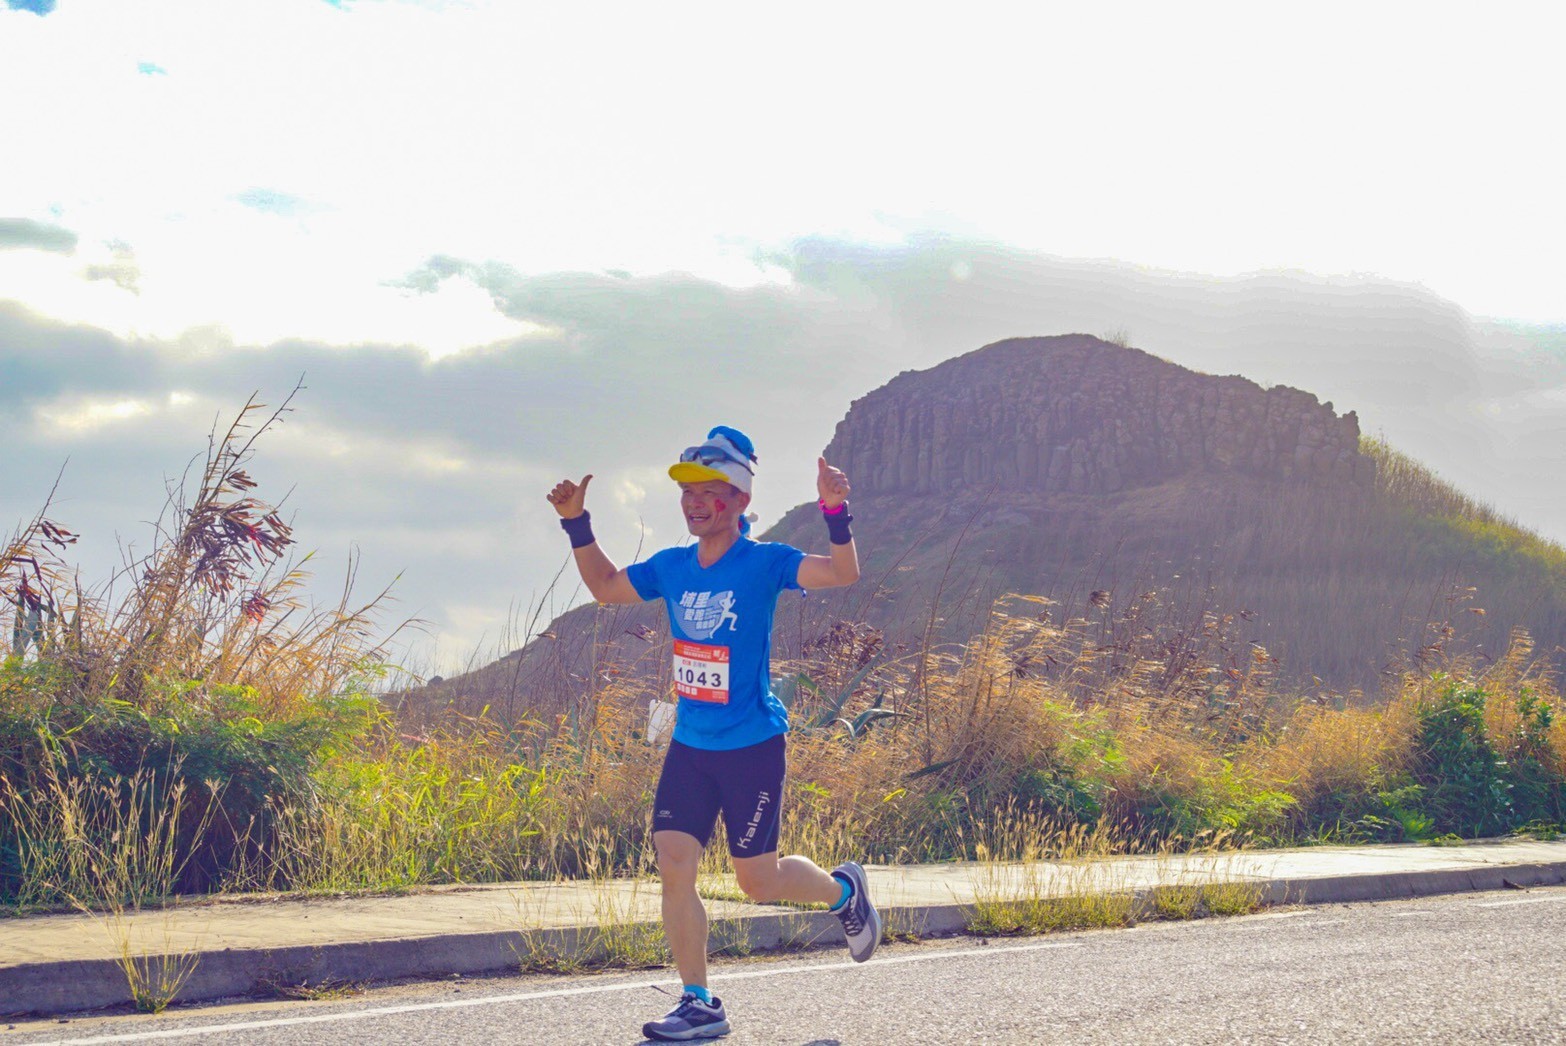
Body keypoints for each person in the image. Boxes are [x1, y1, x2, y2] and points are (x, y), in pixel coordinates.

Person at [546, 425, 880, 1042]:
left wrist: (835, 510)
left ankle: (842, 892)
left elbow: (842, 573)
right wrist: (577, 523)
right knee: (675, 865)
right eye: (687, 492)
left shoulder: (765, 562)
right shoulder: (672, 567)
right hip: (691, 746)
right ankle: (698, 1003)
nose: (695, 502)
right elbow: (604, 587)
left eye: (710, 491)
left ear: (738, 500)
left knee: (757, 879)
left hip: (751, 746)